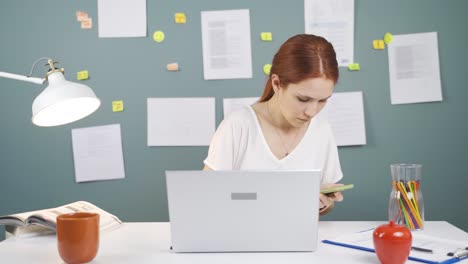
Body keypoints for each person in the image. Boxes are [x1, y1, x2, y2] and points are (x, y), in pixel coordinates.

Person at [203, 34, 344, 215]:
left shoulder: (322, 130)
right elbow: (206, 197)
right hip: (239, 238)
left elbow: (325, 205)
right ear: (277, 83)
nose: (312, 112)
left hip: (297, 237)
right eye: (303, 99)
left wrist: (323, 203)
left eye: (322, 100)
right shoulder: (238, 125)